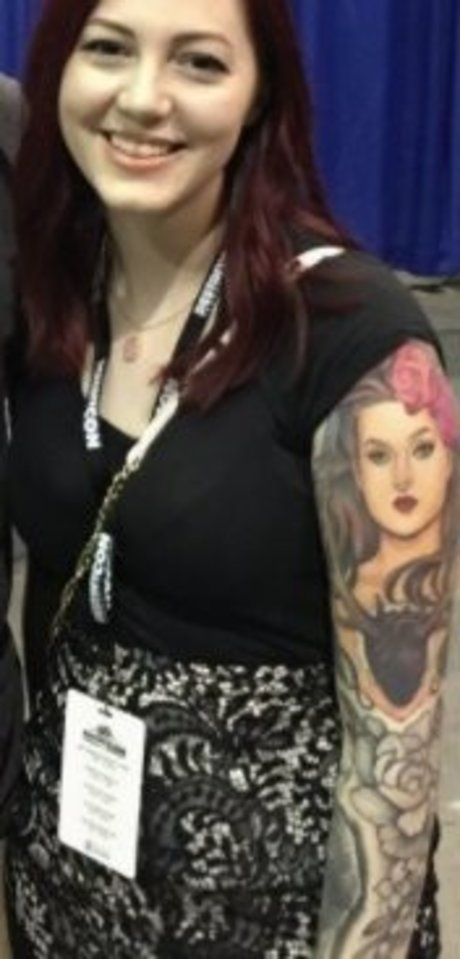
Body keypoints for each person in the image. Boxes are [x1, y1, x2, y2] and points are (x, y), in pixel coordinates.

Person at [3, 0, 459, 956]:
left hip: (275, 923)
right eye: (108, 49)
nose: (143, 98)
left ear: (260, 97)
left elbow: (395, 749)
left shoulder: (355, 339)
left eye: (200, 63)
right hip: (66, 890)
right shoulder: (52, 297)